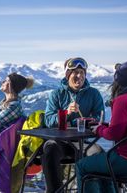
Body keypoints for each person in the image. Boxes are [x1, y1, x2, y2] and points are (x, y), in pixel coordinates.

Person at [76, 60, 127, 193]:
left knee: (82, 166)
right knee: (103, 166)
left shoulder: (123, 100)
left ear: (118, 81)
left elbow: (114, 134)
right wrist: (106, 126)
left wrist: (99, 129)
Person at [43, 57, 105, 192]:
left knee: (100, 155)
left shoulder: (93, 94)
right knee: (49, 152)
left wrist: (85, 121)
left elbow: (99, 118)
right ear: (67, 75)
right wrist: (66, 114)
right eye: (75, 72)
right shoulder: (57, 94)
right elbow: (48, 121)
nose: (79, 76)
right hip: (60, 142)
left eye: (82, 73)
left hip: (82, 143)